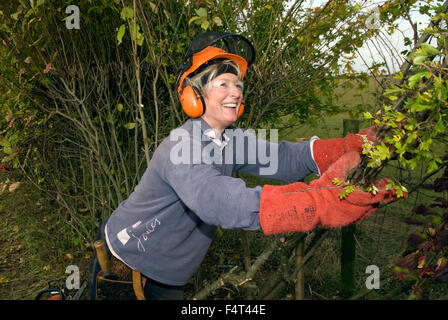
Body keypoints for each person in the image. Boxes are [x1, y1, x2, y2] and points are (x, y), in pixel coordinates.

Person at [96, 32, 401, 300]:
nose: (236, 91)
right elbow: (219, 201)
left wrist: (351, 146)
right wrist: (319, 201)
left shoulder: (231, 140)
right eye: (223, 83)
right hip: (126, 262)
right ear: (194, 94)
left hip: (169, 275)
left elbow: (285, 159)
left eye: (238, 84)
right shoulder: (181, 146)